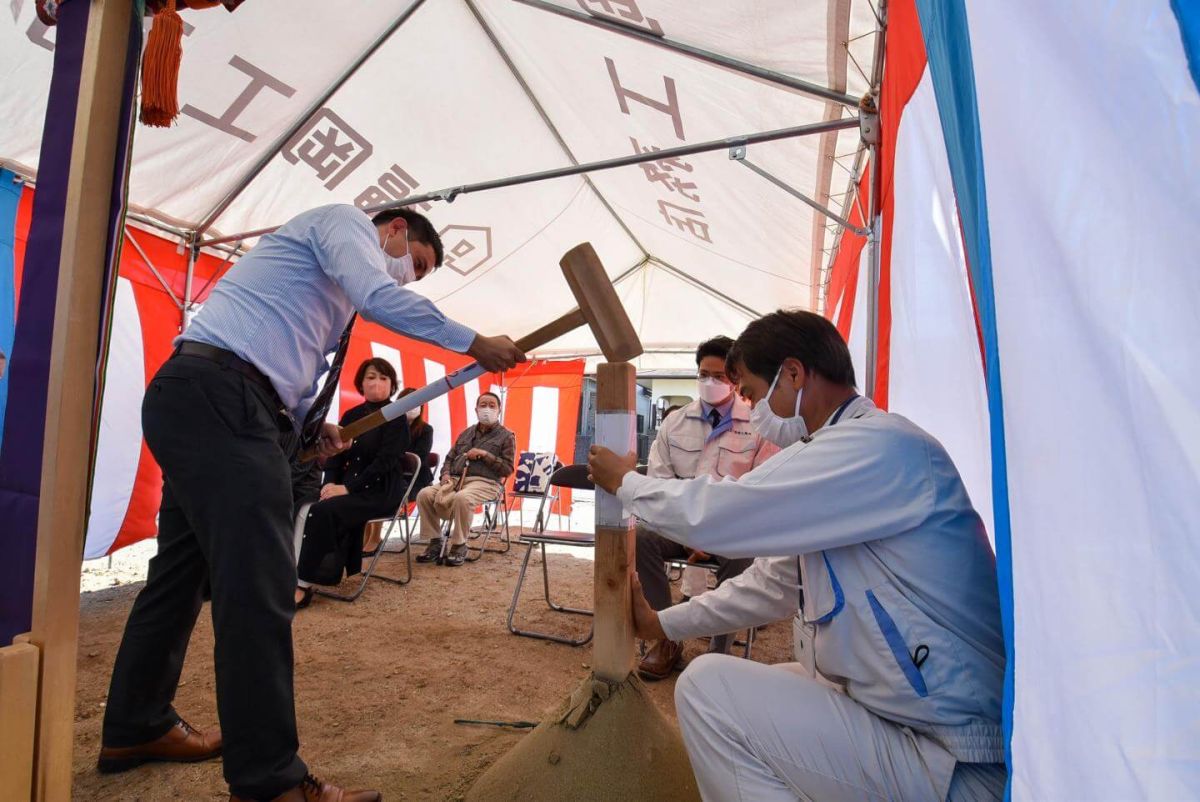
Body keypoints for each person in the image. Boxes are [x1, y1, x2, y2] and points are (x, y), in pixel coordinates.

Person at [99, 204, 524, 802]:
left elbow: (281, 351)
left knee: (180, 574)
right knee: (260, 585)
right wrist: (473, 341)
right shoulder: (346, 224)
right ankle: (269, 778)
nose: (408, 276)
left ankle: (136, 724)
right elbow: (379, 295)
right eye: (416, 264)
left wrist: (307, 425)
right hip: (221, 398)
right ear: (395, 231)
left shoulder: (322, 281)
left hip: (200, 397)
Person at [589, 310, 1006, 801]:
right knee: (768, 683)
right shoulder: (842, 454)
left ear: (793, 373)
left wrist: (626, 483)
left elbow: (727, 513)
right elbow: (771, 586)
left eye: (749, 392)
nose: (750, 407)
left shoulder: (879, 446)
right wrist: (661, 624)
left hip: (952, 757)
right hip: (904, 723)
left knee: (708, 691)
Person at [636, 336, 778, 680]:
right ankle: (665, 637)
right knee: (641, 538)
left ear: (735, 378)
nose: (710, 382)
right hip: (679, 526)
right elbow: (660, 481)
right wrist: (686, 533)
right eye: (703, 374)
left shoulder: (759, 425)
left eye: (719, 376)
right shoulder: (675, 422)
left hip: (731, 529)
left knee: (742, 556)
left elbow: (760, 489)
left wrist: (714, 532)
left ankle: (719, 650)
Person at [294, 358, 412, 609]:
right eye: (371, 377)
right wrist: (329, 484)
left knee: (320, 511)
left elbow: (385, 462)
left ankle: (303, 583)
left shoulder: (396, 416)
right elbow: (335, 456)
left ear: (392, 385)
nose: (376, 383)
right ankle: (290, 572)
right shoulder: (351, 415)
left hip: (379, 491)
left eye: (383, 378)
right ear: (361, 383)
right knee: (302, 505)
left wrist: (347, 488)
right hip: (349, 487)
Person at [415, 392, 515, 567]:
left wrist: (485, 455)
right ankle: (435, 542)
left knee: (463, 498)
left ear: (499, 410)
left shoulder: (506, 436)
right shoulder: (466, 433)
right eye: (483, 405)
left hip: (486, 482)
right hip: (455, 480)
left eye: (492, 406)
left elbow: (507, 469)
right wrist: (445, 474)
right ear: (476, 409)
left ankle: (459, 545)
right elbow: (449, 458)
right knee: (424, 494)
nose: (487, 409)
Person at [358, 385, 434, 557]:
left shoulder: (425, 430)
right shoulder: (390, 427)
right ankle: (366, 537)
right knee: (366, 485)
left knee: (380, 488)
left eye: (417, 402)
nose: (412, 406)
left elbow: (419, 459)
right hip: (392, 474)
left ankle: (375, 539)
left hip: (415, 480)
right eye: (407, 402)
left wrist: (392, 457)